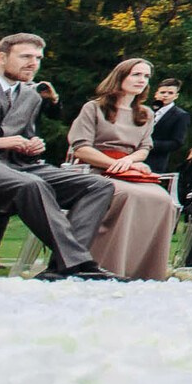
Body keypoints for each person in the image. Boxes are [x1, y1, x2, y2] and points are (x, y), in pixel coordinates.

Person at [0, 33, 116, 279]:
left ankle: (60, 268)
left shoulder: (31, 95)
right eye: (26, 57)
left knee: (98, 186)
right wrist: (4, 141)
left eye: (38, 58)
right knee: (32, 185)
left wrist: (33, 145)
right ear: (1, 57)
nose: (33, 63)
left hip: (19, 165)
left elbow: (26, 135)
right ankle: (79, 264)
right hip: (10, 173)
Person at [64, 57, 175, 280]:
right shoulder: (94, 108)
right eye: (136, 74)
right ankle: (106, 264)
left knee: (164, 200)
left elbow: (144, 148)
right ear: (121, 76)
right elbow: (81, 147)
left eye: (145, 76)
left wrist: (130, 161)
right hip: (96, 169)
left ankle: (146, 272)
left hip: (129, 169)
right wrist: (112, 163)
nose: (141, 80)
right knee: (127, 195)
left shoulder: (146, 113)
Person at [144, 77, 190, 177]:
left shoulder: (180, 115)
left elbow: (177, 142)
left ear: (176, 96)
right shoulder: (146, 110)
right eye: (163, 92)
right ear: (156, 94)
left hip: (155, 162)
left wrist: (148, 145)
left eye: (170, 93)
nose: (165, 95)